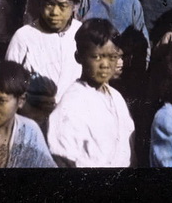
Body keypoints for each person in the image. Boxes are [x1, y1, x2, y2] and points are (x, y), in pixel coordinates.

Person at [47, 19, 136, 167]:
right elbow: (62, 159)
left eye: (112, 57)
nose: (105, 65)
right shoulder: (72, 103)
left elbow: (129, 150)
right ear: (79, 57)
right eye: (96, 57)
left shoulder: (116, 97)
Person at [6, 0, 84, 105]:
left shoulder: (82, 33)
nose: (54, 12)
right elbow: (10, 84)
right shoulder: (24, 36)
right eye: (49, 4)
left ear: (74, 6)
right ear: (40, 3)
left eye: (62, 6)